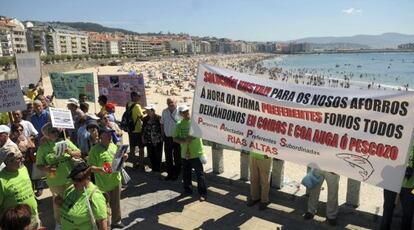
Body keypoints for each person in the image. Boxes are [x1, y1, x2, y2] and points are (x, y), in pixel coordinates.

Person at [36, 122, 81, 229]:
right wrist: (47, 168)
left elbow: (78, 152)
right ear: (47, 134)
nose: (56, 133)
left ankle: (73, 220)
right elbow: (39, 165)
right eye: (53, 131)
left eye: (57, 131)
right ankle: (59, 223)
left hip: (70, 179)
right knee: (58, 202)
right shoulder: (42, 148)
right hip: (55, 180)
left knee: (72, 201)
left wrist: (70, 151)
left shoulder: (65, 141)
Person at [88, 126, 128, 229]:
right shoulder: (94, 150)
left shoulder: (113, 146)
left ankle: (116, 221)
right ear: (101, 136)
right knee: (103, 208)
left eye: (110, 134)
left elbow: (118, 163)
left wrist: (124, 158)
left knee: (116, 204)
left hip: (116, 181)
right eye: (107, 134)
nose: (110, 136)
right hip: (103, 185)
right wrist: (101, 169)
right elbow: (90, 168)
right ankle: (105, 225)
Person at [56, 162, 108, 230]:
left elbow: (102, 222)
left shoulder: (95, 196)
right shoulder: (71, 189)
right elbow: (69, 207)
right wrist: (60, 203)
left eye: (79, 179)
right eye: (73, 179)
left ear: (88, 178)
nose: (75, 182)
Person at [0, 145, 39, 229]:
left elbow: (29, 185)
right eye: (19, 158)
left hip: (33, 214)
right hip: (17, 223)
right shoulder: (1, 180)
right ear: (8, 161)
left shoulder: (23, 168)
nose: (23, 160)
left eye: (22, 157)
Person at [173, 105, 207, 201]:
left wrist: (191, 137)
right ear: (180, 114)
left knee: (199, 174)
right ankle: (187, 190)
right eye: (183, 112)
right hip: (185, 154)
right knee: (186, 174)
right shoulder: (179, 124)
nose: (186, 113)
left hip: (196, 152)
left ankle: (203, 193)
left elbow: (201, 133)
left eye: (187, 111)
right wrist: (184, 141)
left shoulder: (195, 122)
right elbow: (174, 138)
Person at [380, 145, 414, 230]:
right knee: (387, 209)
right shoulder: (396, 132)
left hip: (411, 184)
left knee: (408, 213)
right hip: (391, 179)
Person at [161, 98, 181, 181]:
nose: (170, 104)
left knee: (177, 157)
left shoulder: (180, 111)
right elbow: (162, 123)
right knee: (168, 157)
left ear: (176, 102)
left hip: (177, 138)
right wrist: (163, 134)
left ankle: (177, 174)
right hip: (168, 137)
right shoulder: (164, 111)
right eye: (168, 102)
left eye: (172, 102)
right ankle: (170, 174)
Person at [142, 104, 163, 172]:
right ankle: (154, 169)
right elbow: (143, 129)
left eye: (148, 110)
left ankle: (158, 169)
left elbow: (162, 128)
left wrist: (162, 137)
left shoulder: (159, 118)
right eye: (147, 110)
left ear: (153, 111)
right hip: (148, 140)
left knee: (158, 155)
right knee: (151, 154)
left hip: (157, 140)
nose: (147, 111)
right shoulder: (145, 119)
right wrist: (143, 137)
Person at [126, 91, 144, 170]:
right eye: (138, 96)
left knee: (132, 148)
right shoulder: (137, 106)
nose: (139, 98)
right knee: (141, 148)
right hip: (137, 129)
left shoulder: (128, 104)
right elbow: (141, 117)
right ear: (134, 97)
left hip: (130, 129)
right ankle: (141, 165)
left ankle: (133, 164)